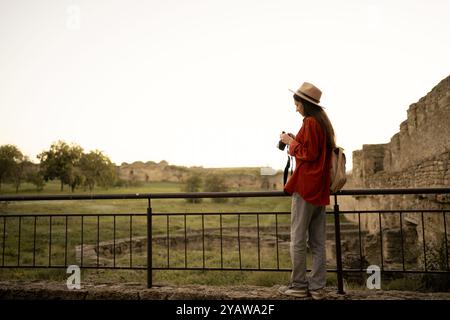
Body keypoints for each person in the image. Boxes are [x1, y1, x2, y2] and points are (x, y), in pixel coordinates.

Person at [278, 82, 336, 300]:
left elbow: (308, 154)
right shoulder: (323, 124)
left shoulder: (310, 123)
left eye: (297, 104)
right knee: (318, 241)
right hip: (320, 188)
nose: (296, 108)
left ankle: (299, 285)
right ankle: (318, 287)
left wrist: (289, 142)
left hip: (306, 187)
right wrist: (296, 139)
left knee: (298, 239)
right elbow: (314, 151)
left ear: (304, 104)